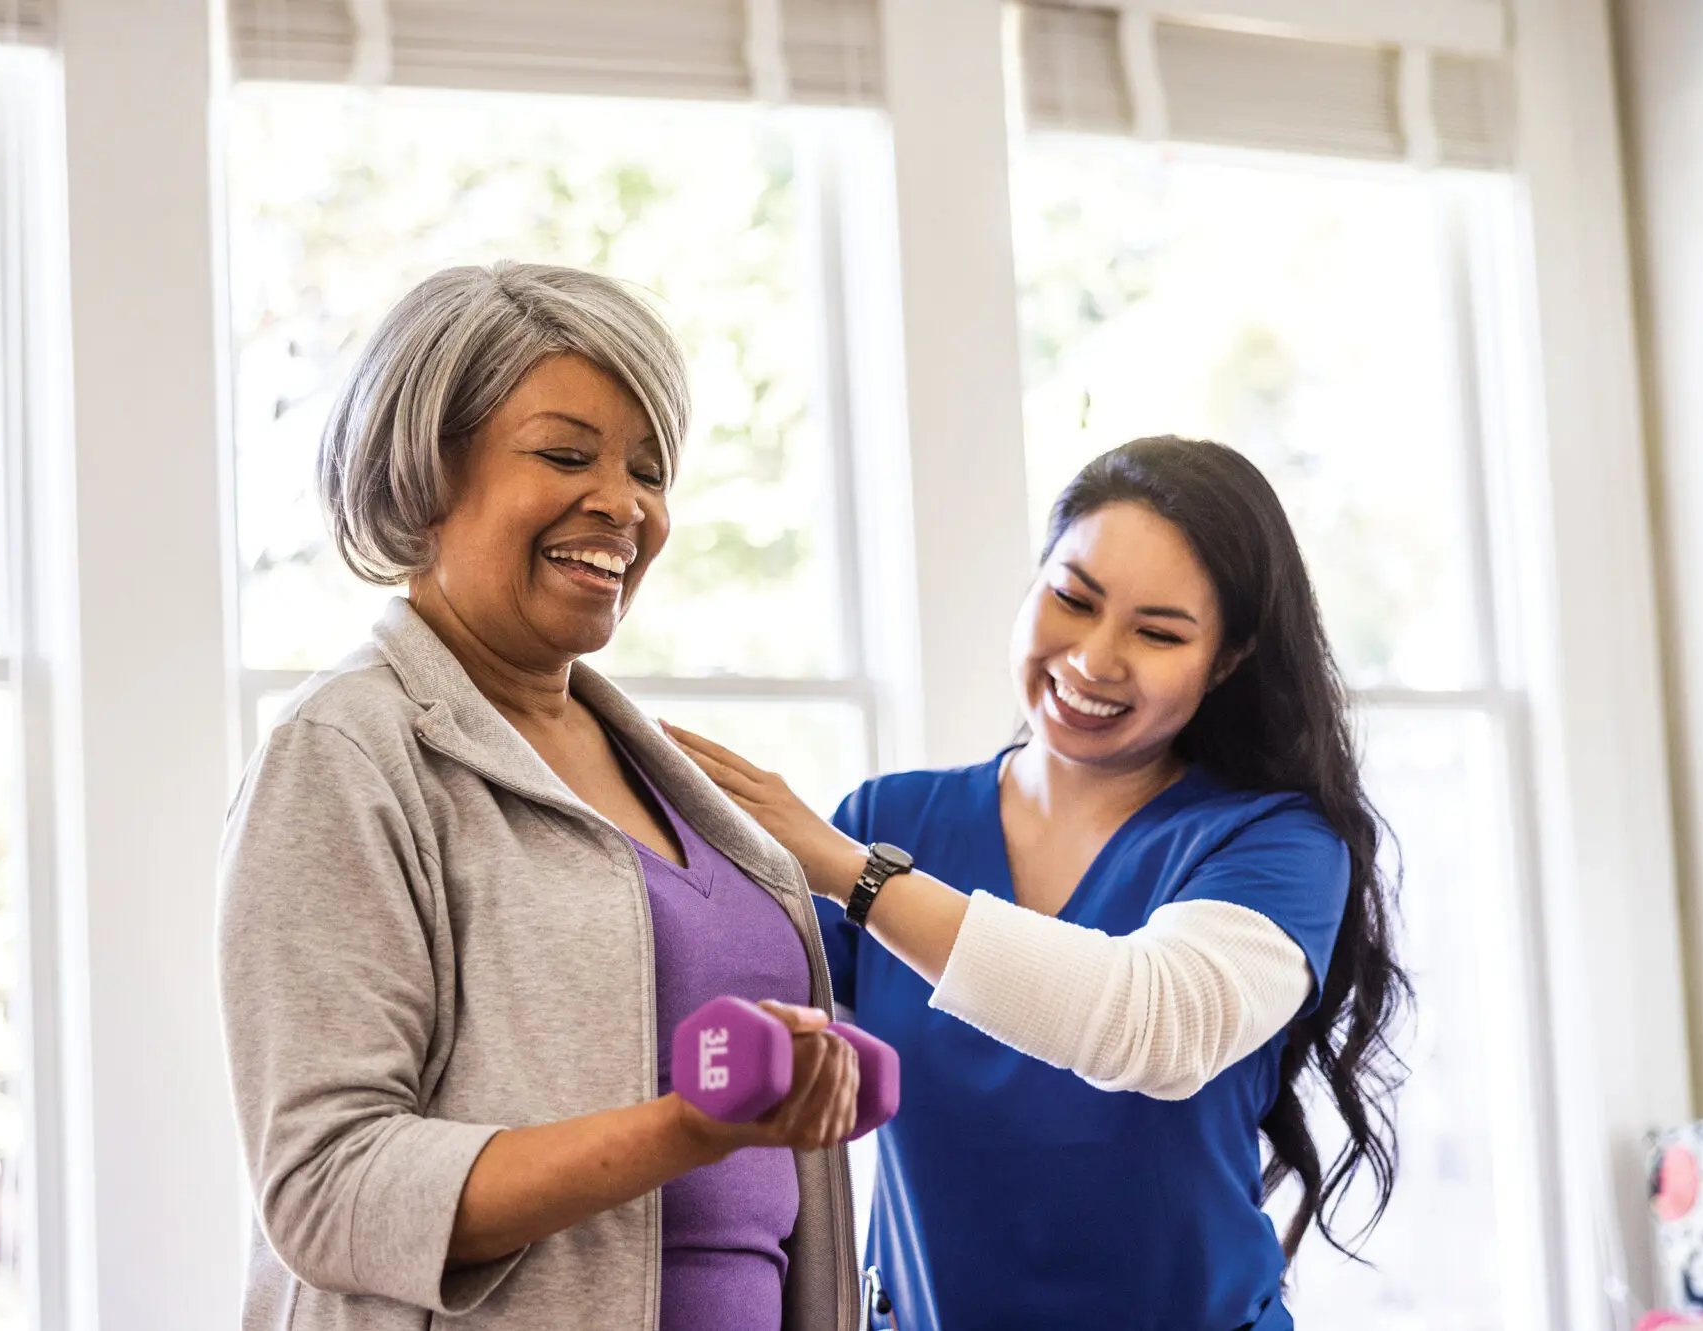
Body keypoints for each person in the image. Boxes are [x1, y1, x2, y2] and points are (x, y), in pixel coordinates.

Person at [218, 262, 868, 1331]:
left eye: (648, 470)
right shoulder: (344, 749)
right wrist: (687, 1126)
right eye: (567, 454)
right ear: (426, 474)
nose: (623, 504)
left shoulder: (673, 772)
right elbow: (327, 1185)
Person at [669, 436, 1409, 1330]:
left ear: (1228, 659)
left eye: (1158, 631)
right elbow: (727, 1046)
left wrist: (849, 875)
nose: (1095, 659)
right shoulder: (891, 819)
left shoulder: (1275, 841)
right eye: (1073, 598)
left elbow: (1155, 1024)